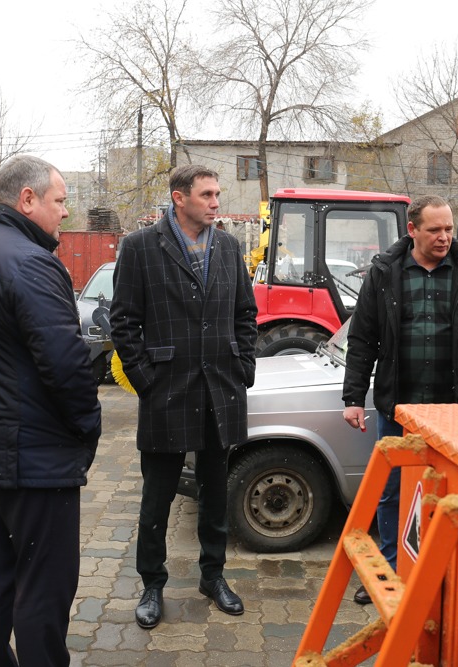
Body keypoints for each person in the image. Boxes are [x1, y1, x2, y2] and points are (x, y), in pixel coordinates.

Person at [0, 155, 101, 666]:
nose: (64, 214)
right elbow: (65, 363)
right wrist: (87, 428)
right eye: (58, 202)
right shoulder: (32, 262)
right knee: (43, 588)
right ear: (27, 199)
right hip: (32, 458)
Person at [342, 194, 458, 604]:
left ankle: (445, 572)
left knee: (452, 493)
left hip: (457, 410)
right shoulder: (384, 273)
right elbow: (363, 339)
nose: (444, 237)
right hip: (399, 406)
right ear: (412, 229)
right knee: (394, 491)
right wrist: (353, 396)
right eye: (435, 230)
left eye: (449, 228)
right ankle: (391, 570)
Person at [110, 165, 258, 629]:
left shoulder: (229, 246)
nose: (217, 202)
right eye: (208, 194)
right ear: (179, 198)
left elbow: (246, 313)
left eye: (217, 194)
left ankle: (212, 577)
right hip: (167, 392)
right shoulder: (140, 247)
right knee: (157, 497)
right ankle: (152, 584)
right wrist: (146, 380)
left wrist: (243, 367)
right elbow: (124, 321)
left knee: (216, 492)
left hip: (221, 389)